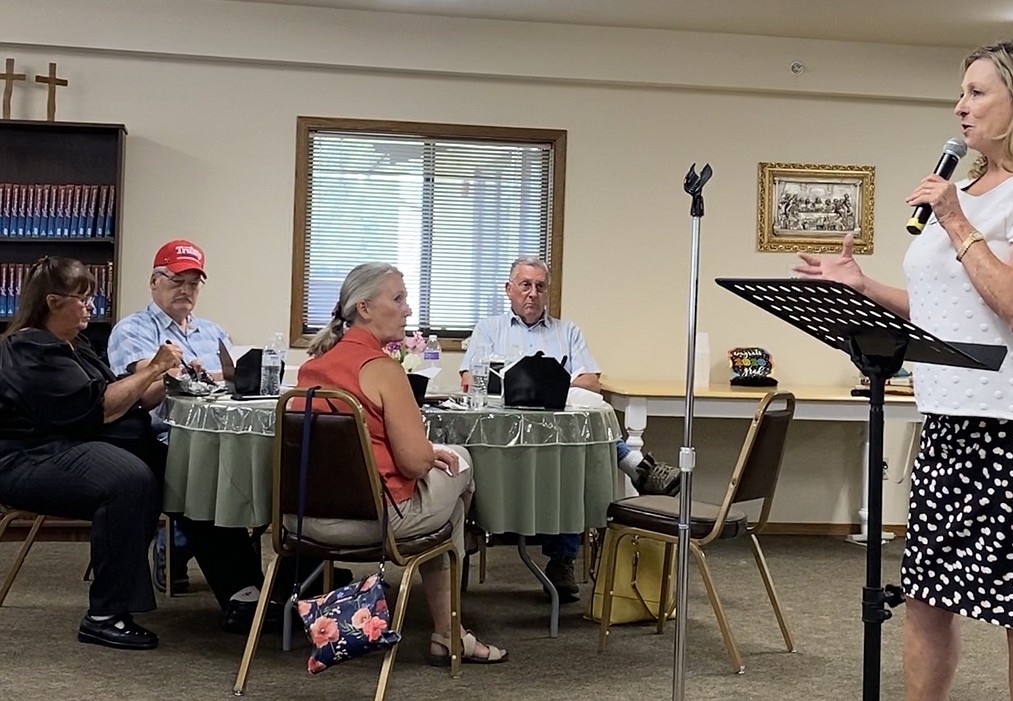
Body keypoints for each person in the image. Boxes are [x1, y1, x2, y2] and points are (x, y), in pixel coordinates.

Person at [793, 39, 1013, 701]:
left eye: (976, 92)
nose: (960, 107)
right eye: (961, 93)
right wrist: (863, 284)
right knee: (930, 595)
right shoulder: (959, 191)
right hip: (951, 416)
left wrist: (958, 219)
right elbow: (950, 307)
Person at [0, 258, 271, 649]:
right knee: (128, 480)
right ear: (52, 302)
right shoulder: (29, 349)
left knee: (190, 470)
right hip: (29, 458)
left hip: (75, 446)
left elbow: (128, 399)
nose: (90, 307)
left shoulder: (73, 345)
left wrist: (162, 378)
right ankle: (105, 614)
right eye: (82, 299)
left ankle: (243, 594)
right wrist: (155, 368)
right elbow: (101, 408)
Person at [298, 262, 507, 666]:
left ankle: (450, 632)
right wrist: (432, 454)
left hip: (306, 520)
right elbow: (412, 464)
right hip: (378, 521)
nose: (408, 310)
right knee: (459, 467)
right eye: (398, 299)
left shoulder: (311, 369)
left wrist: (427, 455)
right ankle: (449, 633)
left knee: (449, 501)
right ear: (364, 308)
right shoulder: (382, 369)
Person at [460, 256, 680, 603]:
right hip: (503, 437)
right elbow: (470, 379)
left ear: (548, 293)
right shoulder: (489, 330)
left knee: (575, 458)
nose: (532, 294)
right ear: (509, 290)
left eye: (540, 287)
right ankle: (636, 465)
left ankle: (562, 560)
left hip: (557, 438)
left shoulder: (568, 331)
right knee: (589, 414)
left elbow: (591, 381)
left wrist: (549, 389)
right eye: (525, 285)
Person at [108, 239, 232, 593]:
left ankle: (286, 574)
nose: (186, 290)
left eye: (193, 283)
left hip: (221, 431)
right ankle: (191, 546)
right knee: (219, 470)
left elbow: (233, 381)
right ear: (154, 282)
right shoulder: (133, 331)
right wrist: (175, 373)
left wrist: (193, 376)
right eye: (177, 281)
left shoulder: (214, 332)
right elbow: (146, 392)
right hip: (164, 438)